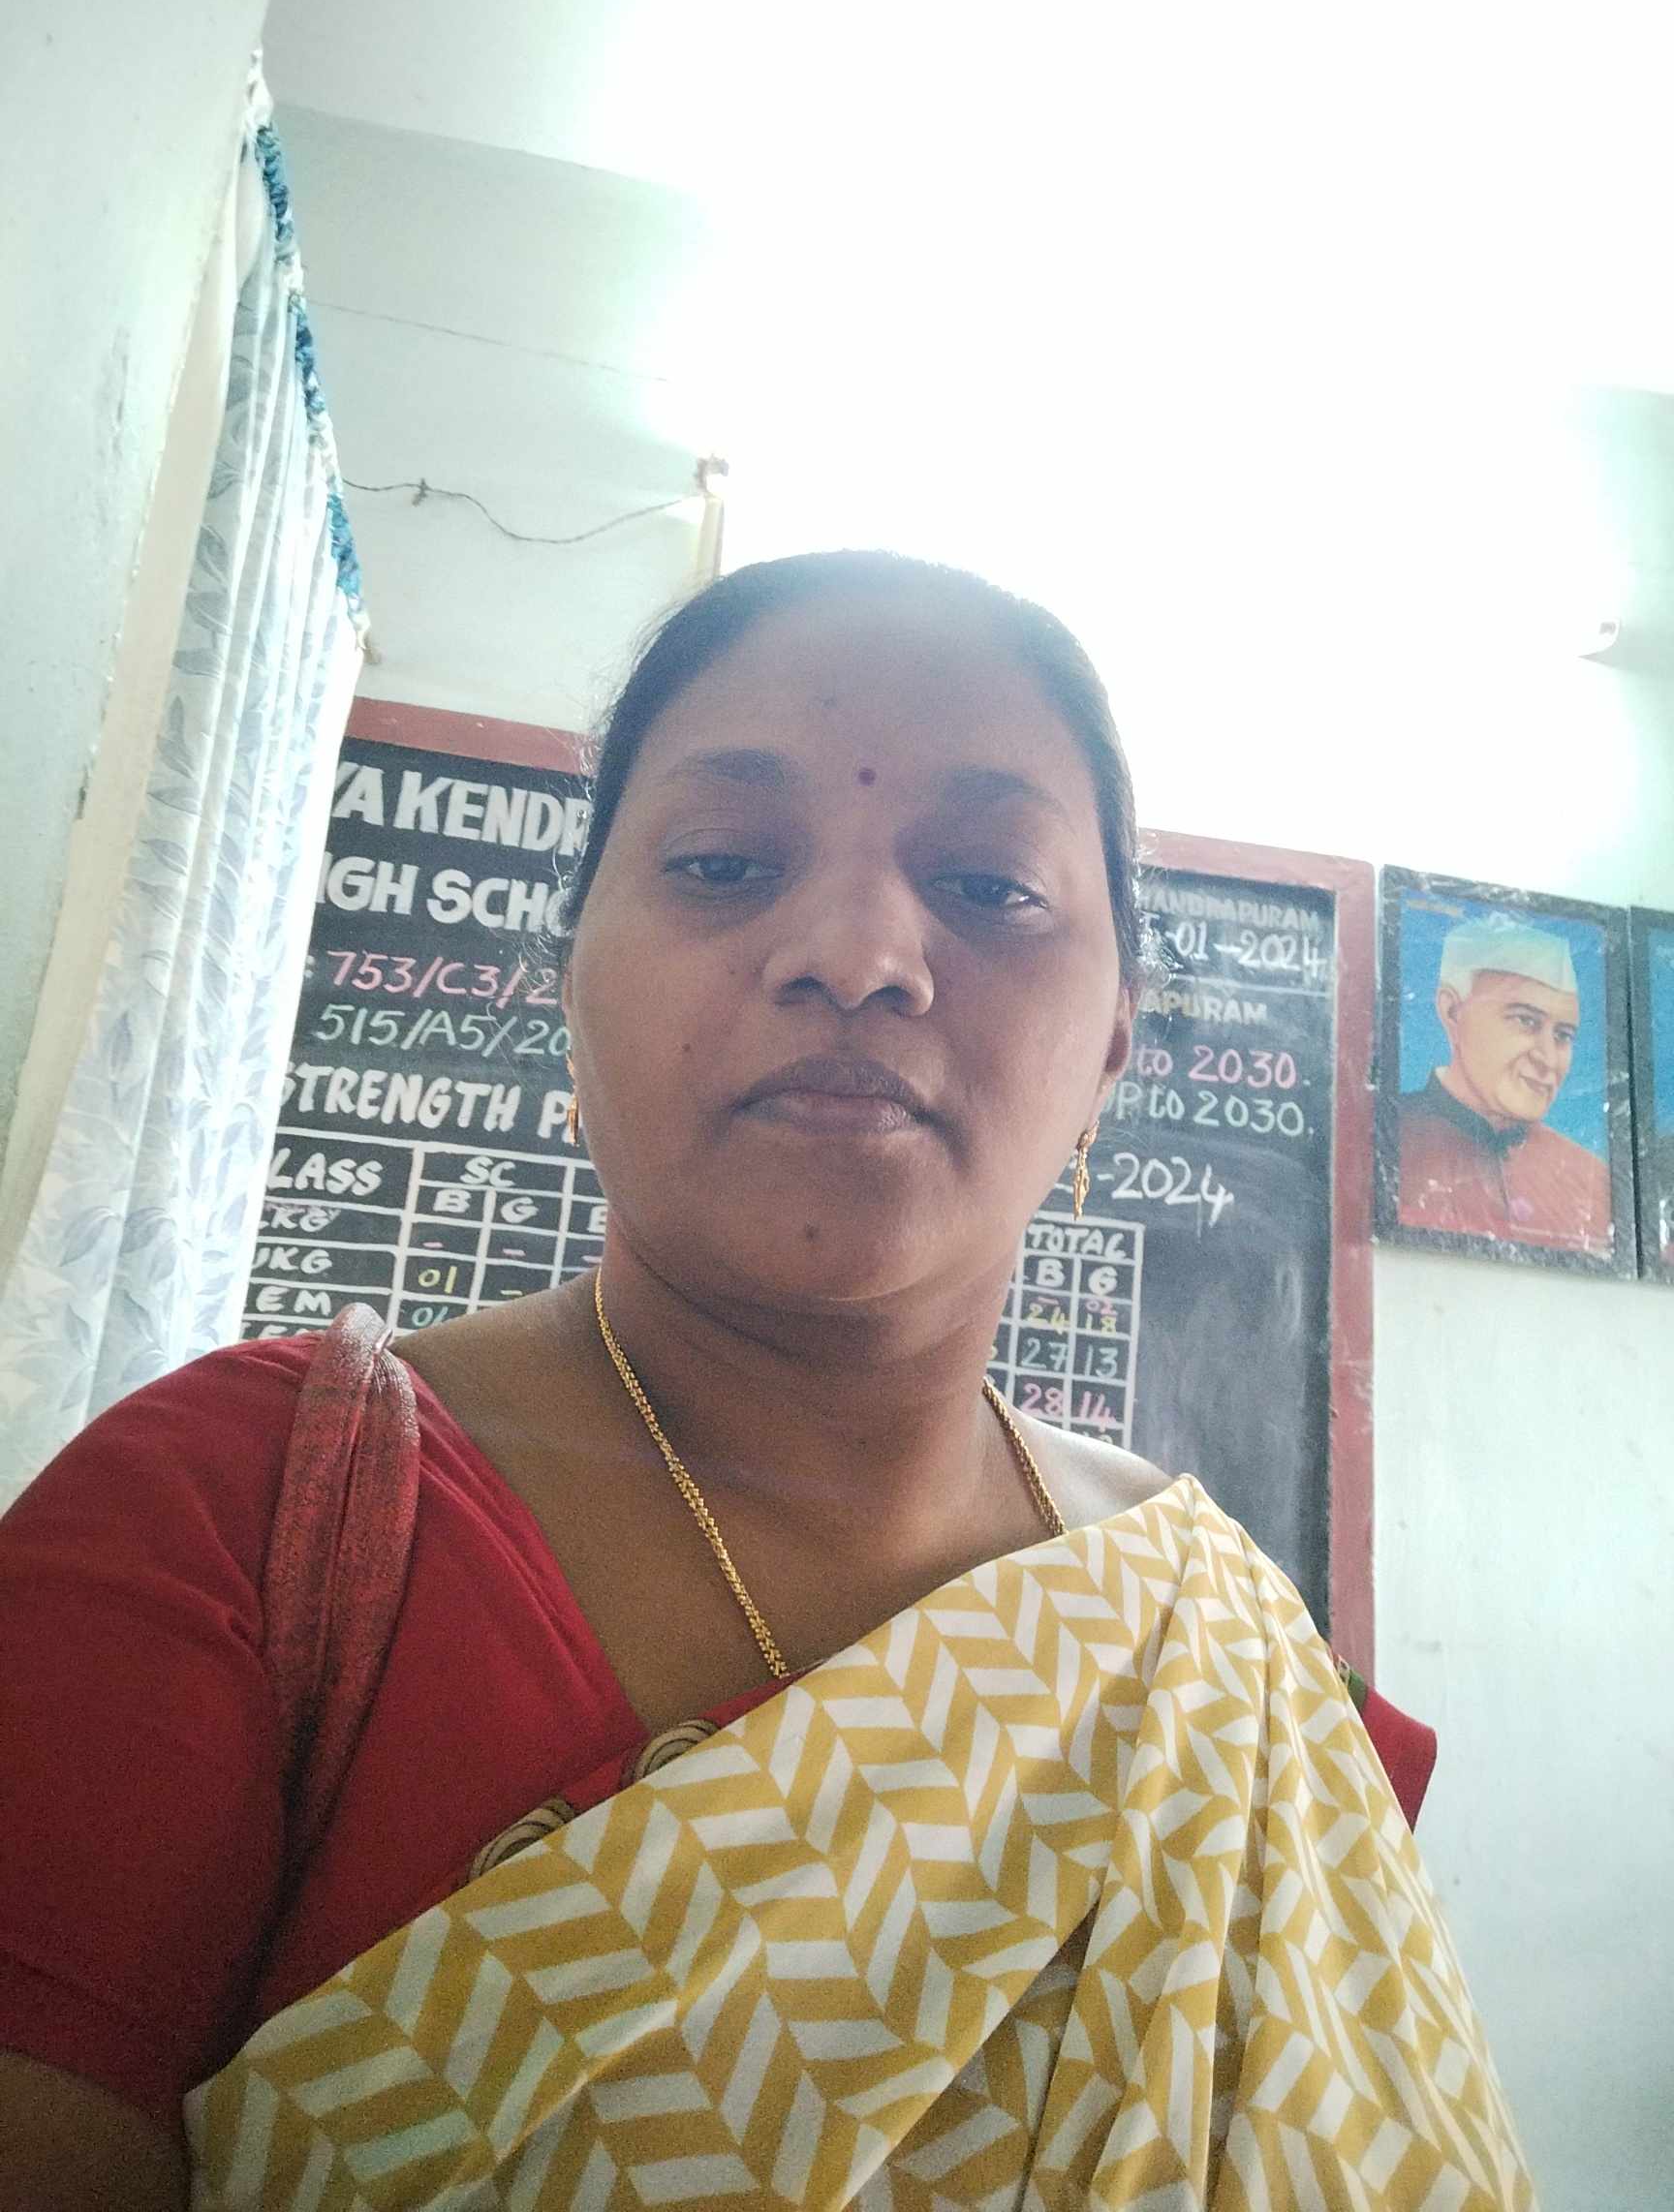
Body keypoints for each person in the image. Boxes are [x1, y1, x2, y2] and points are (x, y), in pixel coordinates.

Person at [0, 553, 1529, 2209]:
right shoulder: (227, 1521)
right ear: (569, 974)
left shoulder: (1237, 1680)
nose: (859, 955)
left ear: (1110, 1046)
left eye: (989, 884)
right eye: (723, 862)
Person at [1397, 914, 1612, 1254]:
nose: (1547, 1058)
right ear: (1452, 1011)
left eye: (1563, 1035)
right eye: (1526, 1021)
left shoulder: (1591, 1181)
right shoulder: (1384, 1139)